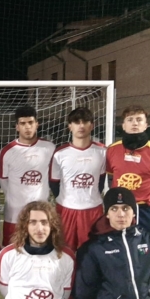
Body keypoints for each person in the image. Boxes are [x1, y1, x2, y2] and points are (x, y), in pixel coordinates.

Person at [105, 105, 150, 235]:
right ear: (123, 125)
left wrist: (147, 199)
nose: (135, 123)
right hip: (120, 209)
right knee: (119, 244)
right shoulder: (112, 150)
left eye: (139, 120)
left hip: (146, 210)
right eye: (130, 120)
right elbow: (111, 178)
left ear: (146, 125)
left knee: (149, 245)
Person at [49, 107, 106, 251]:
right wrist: (68, 199)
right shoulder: (60, 153)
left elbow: (101, 180)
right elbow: (54, 183)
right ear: (70, 126)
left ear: (92, 125)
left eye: (85, 122)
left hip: (92, 210)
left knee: (91, 252)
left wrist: (89, 196)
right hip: (66, 209)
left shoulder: (102, 152)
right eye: (76, 122)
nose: (81, 126)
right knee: (64, 252)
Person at [0, 106, 56, 246]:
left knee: (40, 254)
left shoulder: (49, 148)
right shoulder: (7, 151)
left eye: (30, 122)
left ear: (37, 124)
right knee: (12, 253)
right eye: (23, 123)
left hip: (41, 216)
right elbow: (4, 182)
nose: (27, 127)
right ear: (17, 127)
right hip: (14, 216)